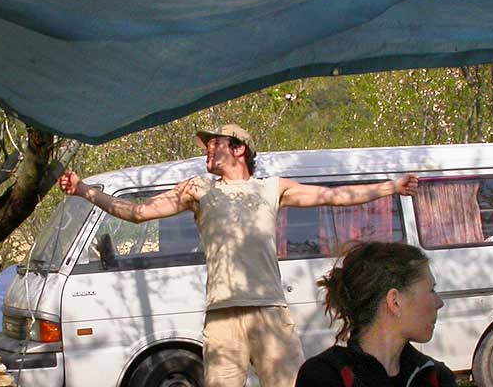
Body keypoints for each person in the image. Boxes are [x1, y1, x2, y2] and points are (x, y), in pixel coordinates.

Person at [58, 124, 418, 387]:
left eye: (213, 143)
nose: (207, 151)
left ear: (239, 148)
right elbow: (137, 213)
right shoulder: (197, 190)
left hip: (269, 314)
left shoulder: (271, 189)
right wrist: (85, 190)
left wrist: (391, 187)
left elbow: (333, 197)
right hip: (222, 319)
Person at [296, 242, 456, 387]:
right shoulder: (324, 376)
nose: (439, 303)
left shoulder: (436, 376)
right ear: (395, 302)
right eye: (431, 290)